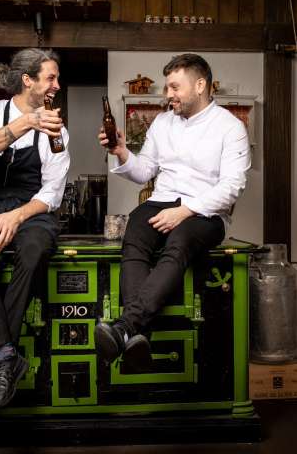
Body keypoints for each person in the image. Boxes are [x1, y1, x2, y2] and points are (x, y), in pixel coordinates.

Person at [94, 53, 251, 370]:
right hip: (162, 200)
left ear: (200, 85)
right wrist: (121, 152)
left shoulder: (231, 127)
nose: (168, 95)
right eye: (168, 87)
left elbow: (232, 187)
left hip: (207, 211)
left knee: (179, 242)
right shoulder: (163, 122)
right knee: (136, 229)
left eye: (175, 87)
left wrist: (185, 211)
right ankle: (137, 335)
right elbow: (145, 170)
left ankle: (125, 326)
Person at [0, 48, 70, 409]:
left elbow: (52, 192)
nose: (56, 84)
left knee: (34, 249)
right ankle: (7, 353)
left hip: (33, 207)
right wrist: (26, 123)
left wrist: (18, 216)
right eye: (50, 77)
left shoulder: (57, 129)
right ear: (28, 80)